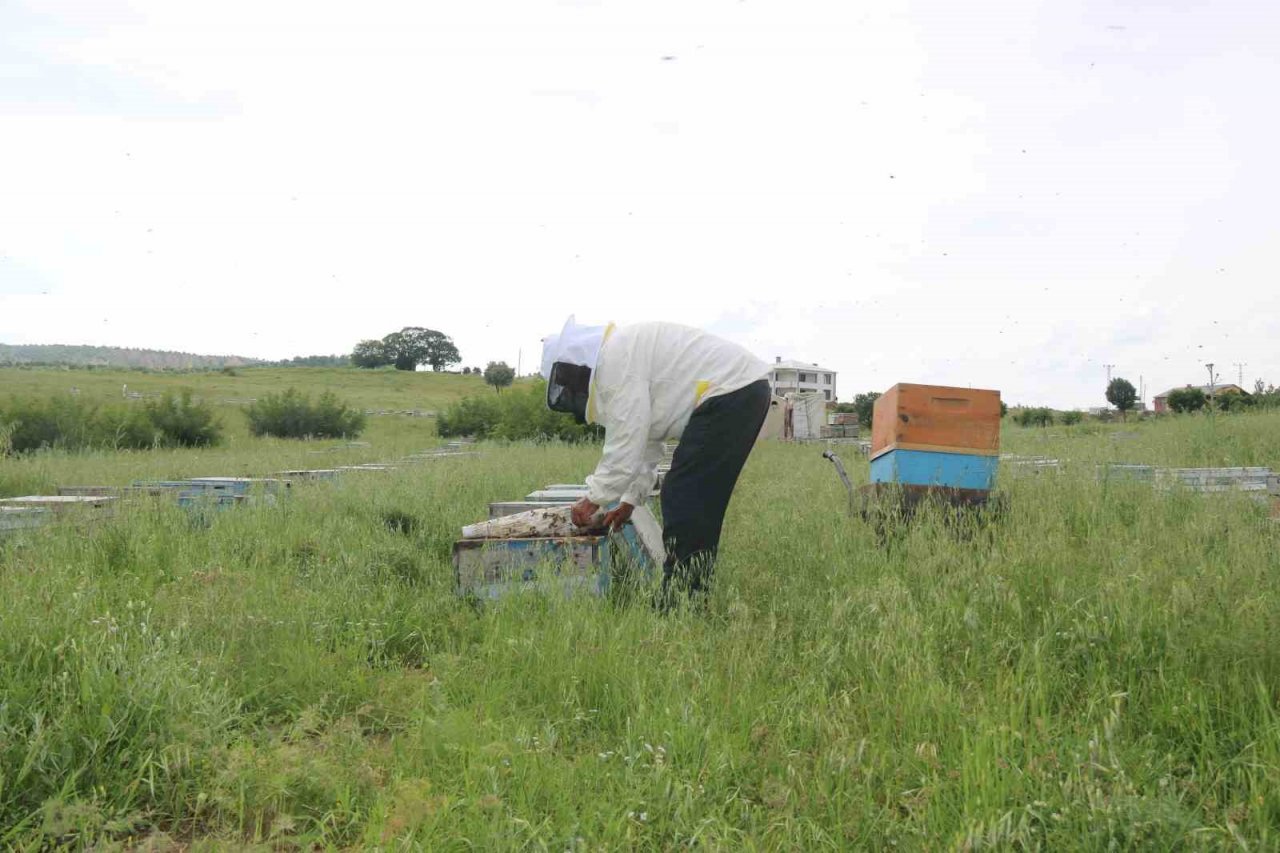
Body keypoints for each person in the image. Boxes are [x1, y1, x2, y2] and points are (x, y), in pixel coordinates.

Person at [540, 316, 771, 606]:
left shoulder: (615, 361)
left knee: (685, 494)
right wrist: (629, 500)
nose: (568, 387)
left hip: (731, 391)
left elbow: (626, 442)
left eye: (564, 378)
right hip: (740, 390)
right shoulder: (623, 358)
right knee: (694, 498)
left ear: (575, 364)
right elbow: (646, 441)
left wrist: (594, 499)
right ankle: (688, 594)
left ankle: (680, 600)